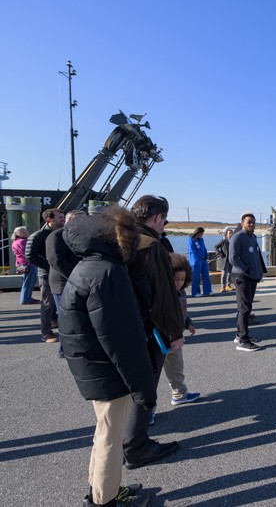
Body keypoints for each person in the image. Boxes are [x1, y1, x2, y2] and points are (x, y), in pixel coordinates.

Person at [59, 206, 154, 507]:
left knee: (104, 434)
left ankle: (101, 491)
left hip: (94, 366)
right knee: (110, 440)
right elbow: (122, 339)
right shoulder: (109, 273)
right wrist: (144, 386)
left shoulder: (88, 266)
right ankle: (104, 501)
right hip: (108, 370)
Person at [124, 195, 184, 469]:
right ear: (158, 217)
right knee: (145, 388)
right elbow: (164, 295)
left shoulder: (121, 238)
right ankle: (137, 447)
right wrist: (175, 332)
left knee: (127, 389)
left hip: (123, 325)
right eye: (164, 221)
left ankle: (125, 440)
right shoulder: (151, 246)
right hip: (149, 329)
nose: (164, 226)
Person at [162, 253, 201, 408]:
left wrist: (188, 323)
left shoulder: (181, 293)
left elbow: (182, 313)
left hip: (177, 337)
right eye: (175, 279)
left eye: (183, 279)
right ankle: (147, 409)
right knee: (153, 374)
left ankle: (180, 394)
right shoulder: (162, 294)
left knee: (176, 367)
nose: (179, 283)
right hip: (162, 338)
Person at [46, 210, 86, 359]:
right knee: (66, 318)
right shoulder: (56, 236)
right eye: (80, 220)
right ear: (69, 220)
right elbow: (56, 260)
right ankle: (64, 349)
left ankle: (78, 347)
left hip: (80, 282)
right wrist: (75, 277)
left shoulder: (83, 235)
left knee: (78, 317)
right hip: (63, 283)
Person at [25, 208, 65, 342]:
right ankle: (47, 333)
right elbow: (30, 255)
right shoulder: (38, 235)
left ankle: (55, 322)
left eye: (63, 216)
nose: (63, 219)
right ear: (49, 219)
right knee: (48, 304)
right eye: (60, 217)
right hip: (47, 274)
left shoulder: (63, 233)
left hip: (62, 273)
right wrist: (51, 266)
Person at [230, 213, 267, 352]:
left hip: (252, 276)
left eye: (253, 222)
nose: (252, 224)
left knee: (247, 307)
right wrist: (247, 269)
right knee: (244, 308)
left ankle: (239, 335)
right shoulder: (237, 237)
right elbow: (233, 258)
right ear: (242, 223)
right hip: (242, 276)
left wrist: (259, 271)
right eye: (249, 222)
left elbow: (256, 256)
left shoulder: (252, 237)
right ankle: (243, 341)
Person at [11, 226, 39, 305]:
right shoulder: (22, 242)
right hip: (28, 264)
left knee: (27, 281)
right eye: (23, 231)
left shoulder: (15, 241)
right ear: (18, 233)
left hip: (22, 264)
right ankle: (26, 299)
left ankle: (26, 298)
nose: (26, 232)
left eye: (26, 231)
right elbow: (27, 252)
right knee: (29, 282)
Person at [188, 227, 212, 297]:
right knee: (196, 277)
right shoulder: (191, 239)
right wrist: (201, 256)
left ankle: (207, 291)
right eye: (201, 234)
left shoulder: (201, 239)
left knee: (206, 275)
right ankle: (195, 292)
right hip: (196, 260)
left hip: (203, 260)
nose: (202, 235)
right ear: (198, 233)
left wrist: (206, 255)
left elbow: (204, 248)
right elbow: (192, 250)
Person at [214, 227, 234, 292]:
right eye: (229, 233)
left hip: (231, 260)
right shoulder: (223, 241)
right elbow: (216, 246)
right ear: (226, 234)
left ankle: (228, 286)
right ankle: (223, 287)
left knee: (230, 273)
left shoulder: (233, 241)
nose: (231, 234)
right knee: (224, 274)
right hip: (224, 260)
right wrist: (219, 253)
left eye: (231, 233)